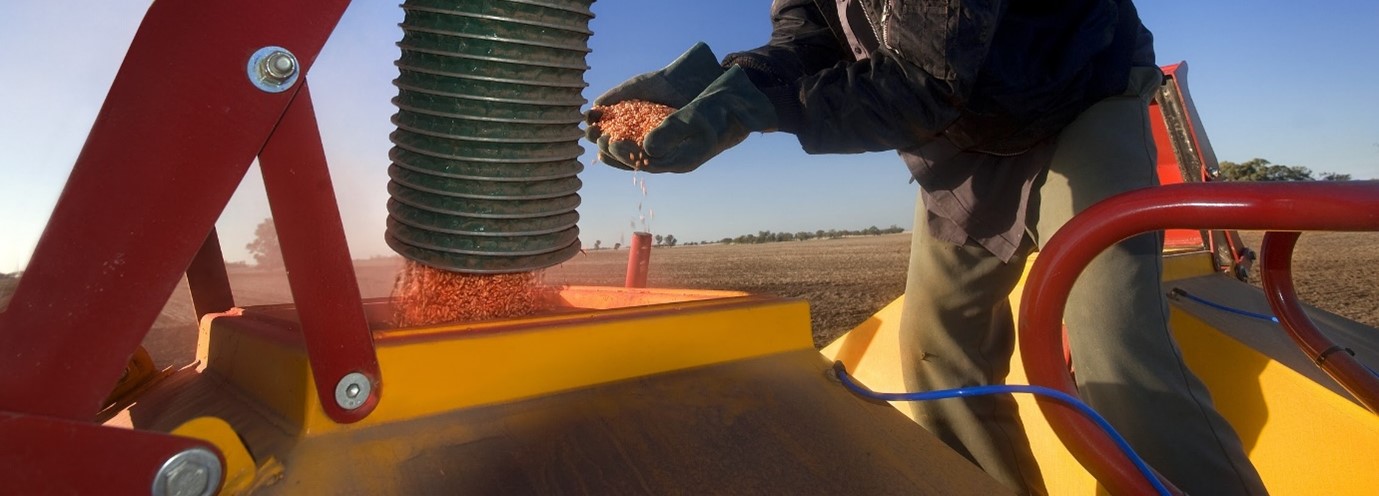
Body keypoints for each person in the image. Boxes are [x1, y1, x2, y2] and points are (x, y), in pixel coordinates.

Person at [585, 1, 1268, 494]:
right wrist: (723, 83)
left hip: (1077, 94)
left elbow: (929, 80)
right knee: (935, 349)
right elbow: (812, 39)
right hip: (965, 134)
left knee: (1110, 338)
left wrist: (756, 109)